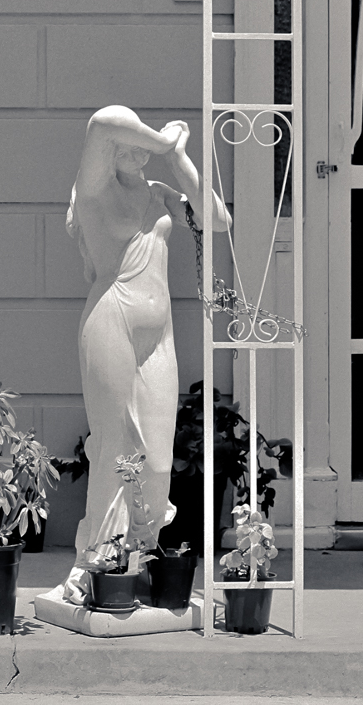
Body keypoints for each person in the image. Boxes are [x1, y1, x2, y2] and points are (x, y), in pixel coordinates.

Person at [62, 105, 232, 605]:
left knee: (157, 460)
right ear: (113, 150)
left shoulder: (159, 194)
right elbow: (101, 121)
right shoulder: (92, 193)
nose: (138, 153)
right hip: (110, 321)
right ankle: (91, 564)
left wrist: (179, 161)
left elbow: (218, 220)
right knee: (115, 449)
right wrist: (160, 138)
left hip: (160, 336)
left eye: (144, 147)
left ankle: (138, 558)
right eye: (131, 145)